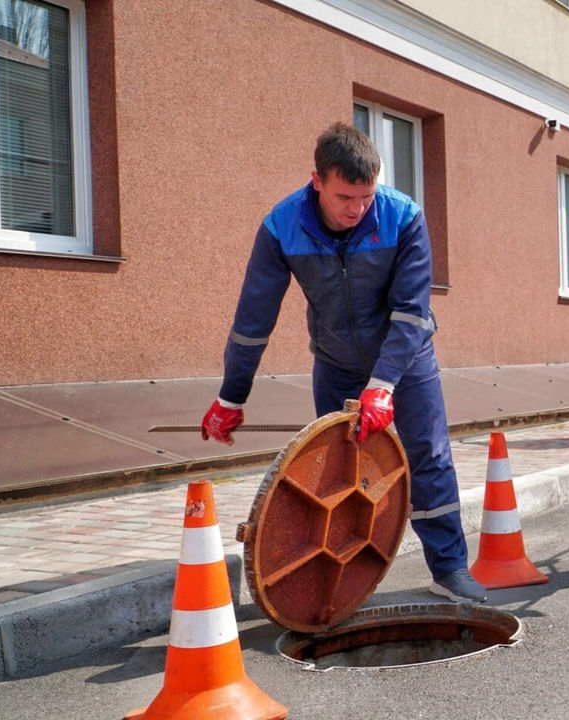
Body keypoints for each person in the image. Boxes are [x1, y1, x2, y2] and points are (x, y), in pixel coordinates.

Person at [200, 121, 486, 602]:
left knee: (429, 456)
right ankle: (340, 581)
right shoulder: (280, 227)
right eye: (344, 197)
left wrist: (385, 383)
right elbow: (253, 317)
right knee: (337, 474)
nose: (357, 209)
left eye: (366, 197)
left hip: (405, 361)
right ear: (317, 180)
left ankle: (450, 570)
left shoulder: (404, 217)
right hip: (334, 363)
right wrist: (232, 394)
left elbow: (412, 312)